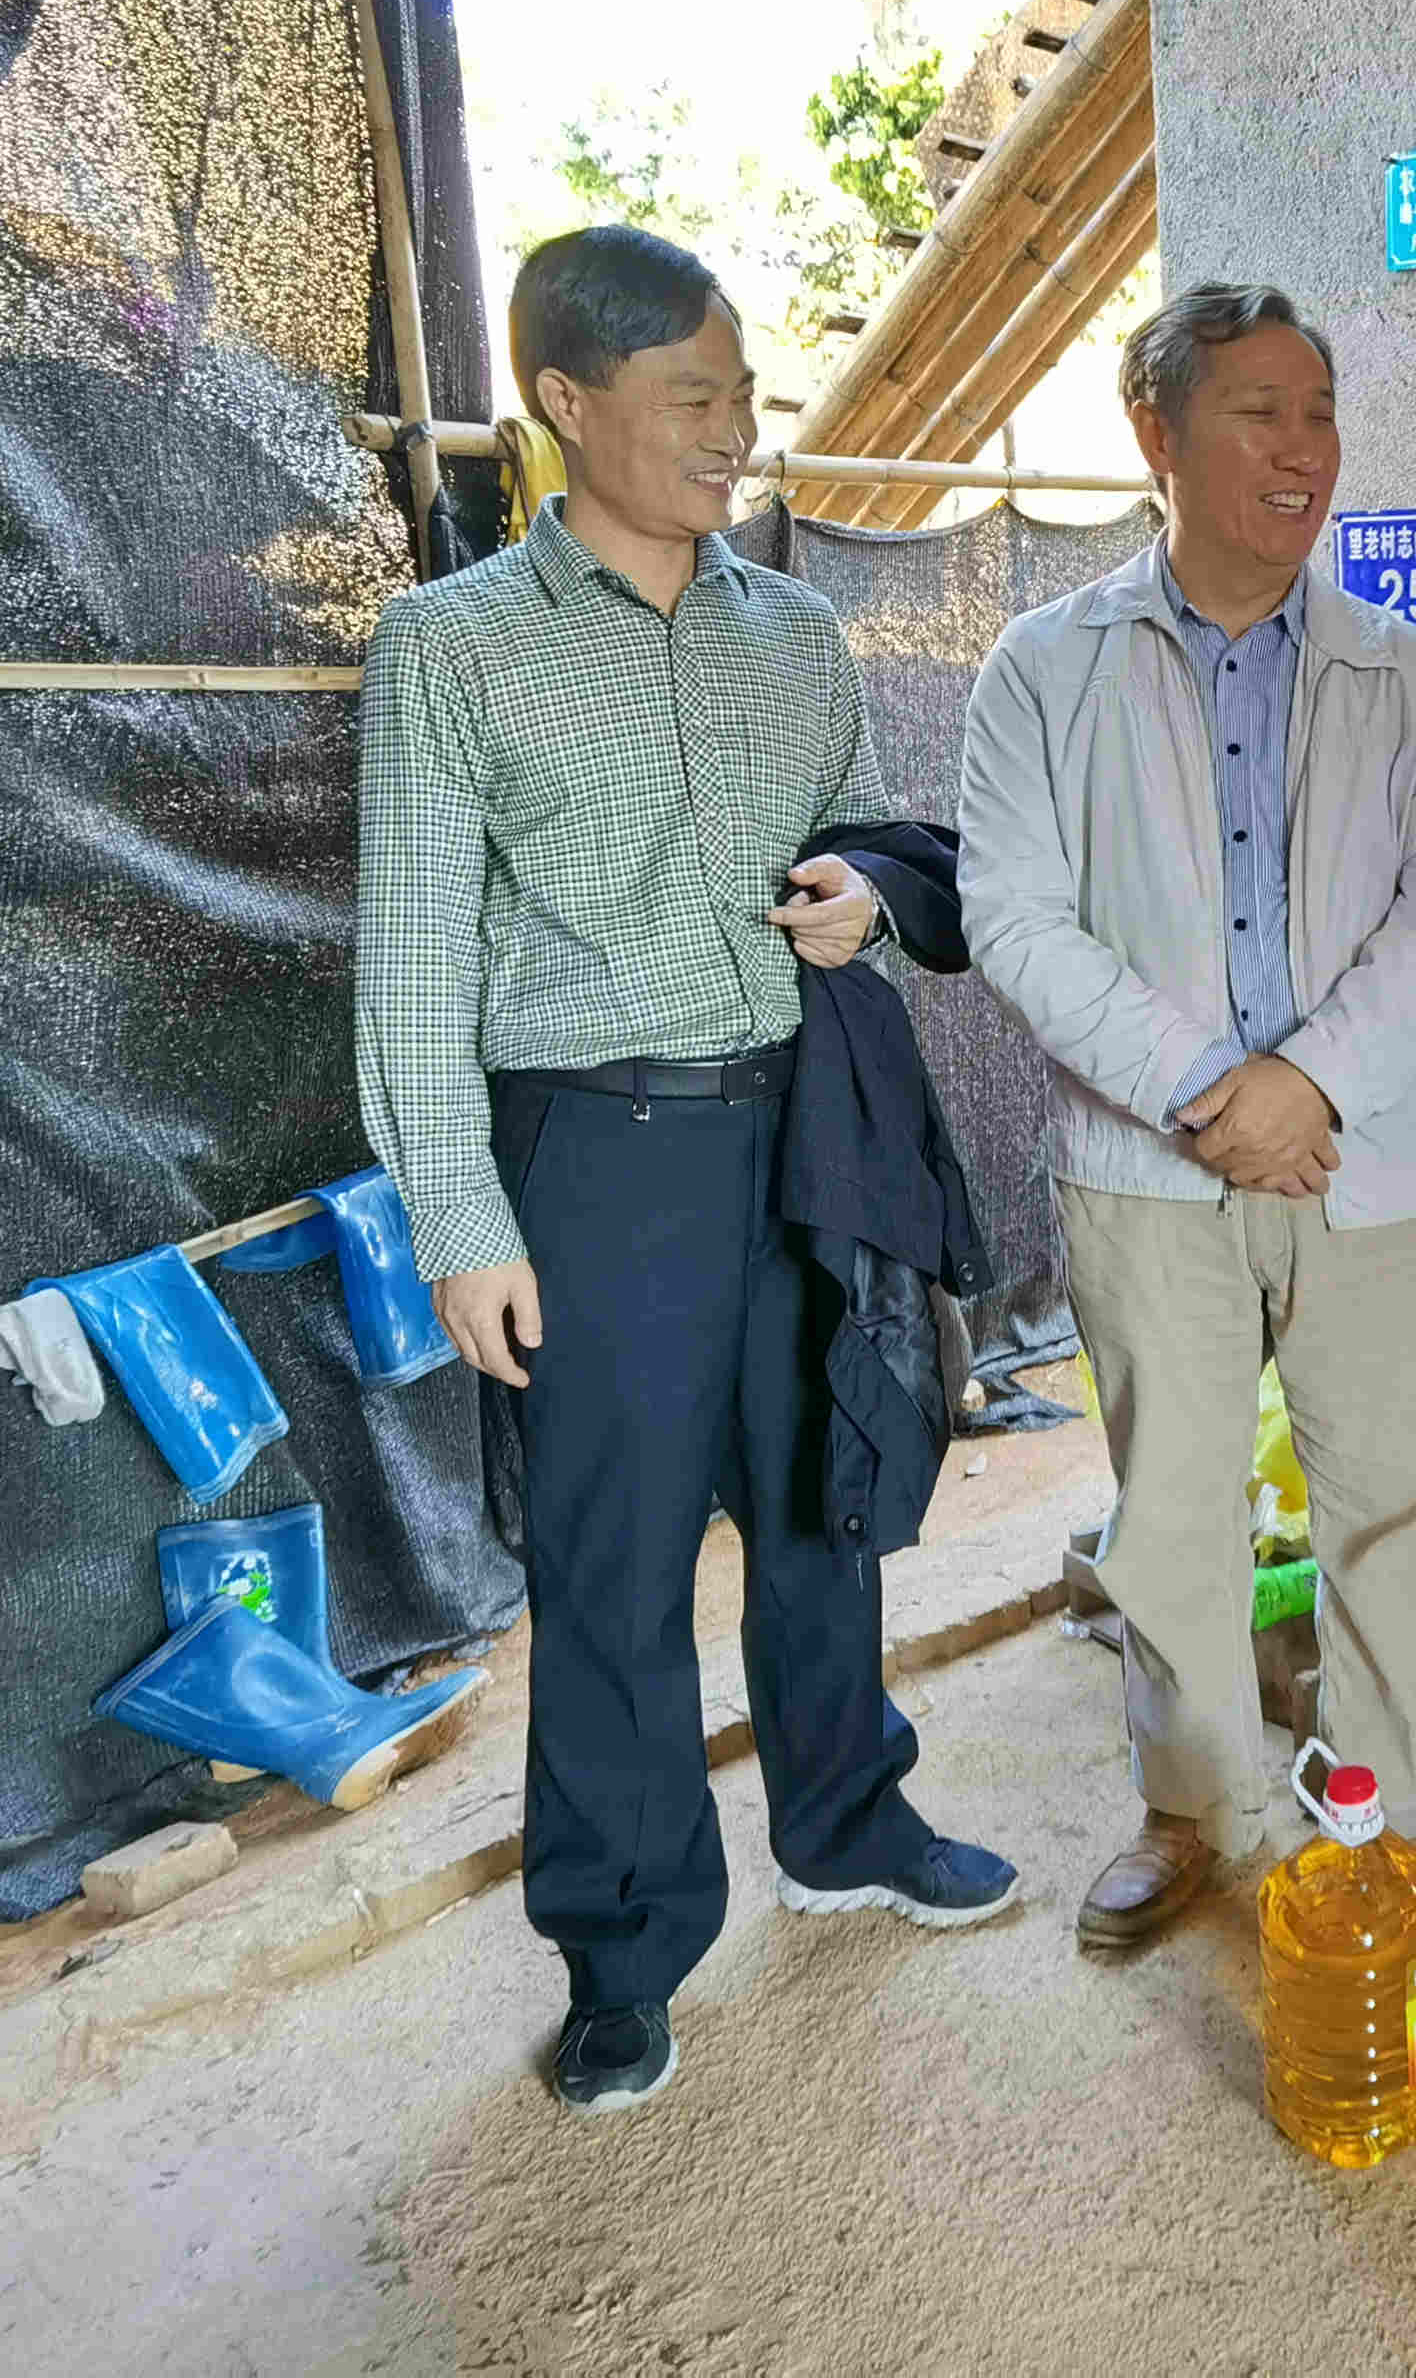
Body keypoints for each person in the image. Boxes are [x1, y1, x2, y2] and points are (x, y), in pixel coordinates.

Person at [357, 225, 1017, 2120]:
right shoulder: (453, 648)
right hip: (594, 1157)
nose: (737, 431)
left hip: (794, 1126)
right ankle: (625, 1947)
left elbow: (867, 847)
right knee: (615, 1569)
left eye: (743, 394)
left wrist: (862, 899)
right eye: (693, 399)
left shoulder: (794, 633)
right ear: (568, 406)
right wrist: (463, 1222)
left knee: (826, 1496)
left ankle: (848, 1815)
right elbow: (408, 961)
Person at [957, 283, 1416, 1948]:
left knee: (1389, 1503)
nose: (1301, 447)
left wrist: (1311, 1083)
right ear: (1156, 438)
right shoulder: (1043, 668)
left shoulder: (1407, 674)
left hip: (1370, 1156)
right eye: (1257, 409)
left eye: (1318, 411)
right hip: (1148, 1166)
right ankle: (1193, 1806)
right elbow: (1014, 918)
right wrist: (1213, 1094)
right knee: (1175, 1510)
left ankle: (1395, 1810)